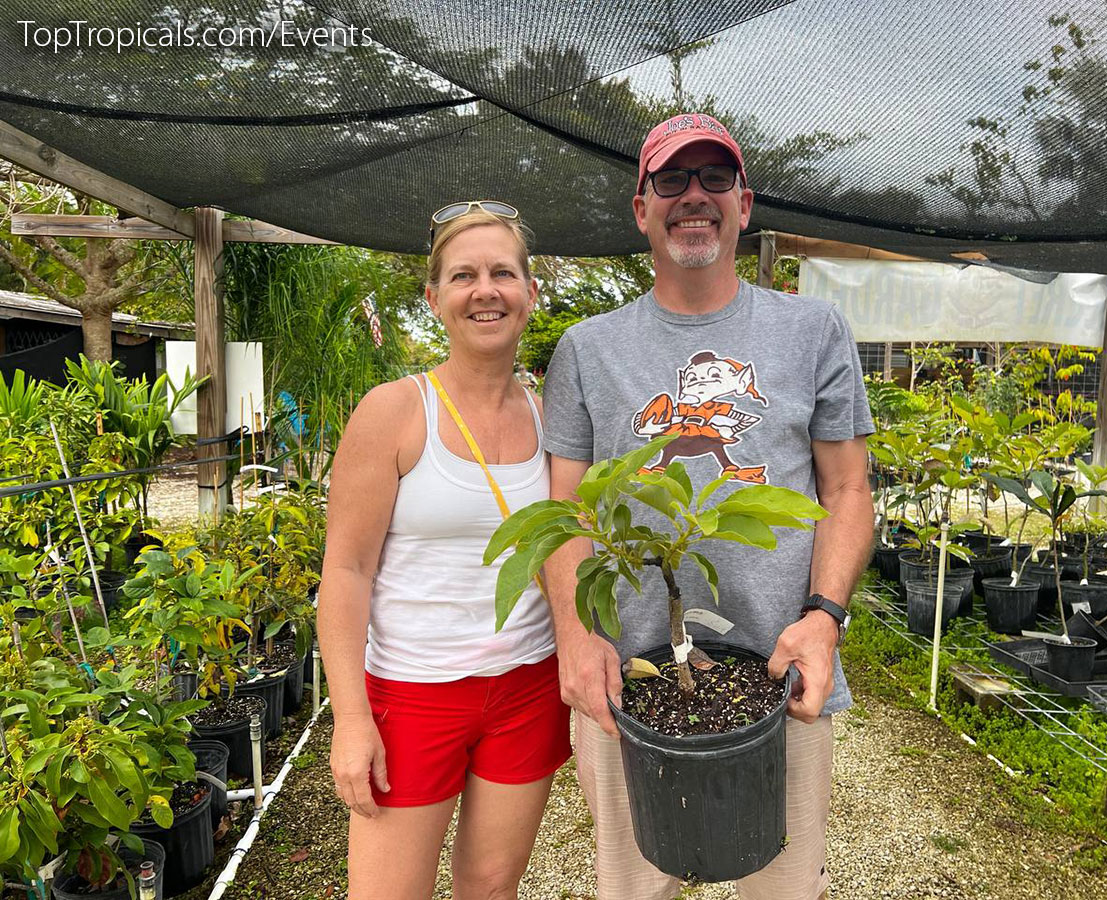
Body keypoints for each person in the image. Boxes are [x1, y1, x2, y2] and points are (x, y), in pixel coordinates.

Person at [542, 113, 876, 900]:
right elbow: (566, 512)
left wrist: (825, 618)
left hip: (779, 670)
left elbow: (848, 491)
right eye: (671, 180)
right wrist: (575, 635)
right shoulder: (587, 349)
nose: (694, 197)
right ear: (641, 209)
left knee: (786, 886)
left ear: (745, 203)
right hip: (632, 676)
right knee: (633, 885)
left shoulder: (813, 329)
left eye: (714, 179)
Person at [317, 202, 571, 900]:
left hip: (526, 687)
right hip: (413, 693)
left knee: (490, 887)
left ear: (530, 293)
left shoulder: (553, 417)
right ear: (434, 299)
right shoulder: (394, 412)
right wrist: (351, 720)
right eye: (463, 276)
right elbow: (345, 571)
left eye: (502, 273)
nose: (484, 290)